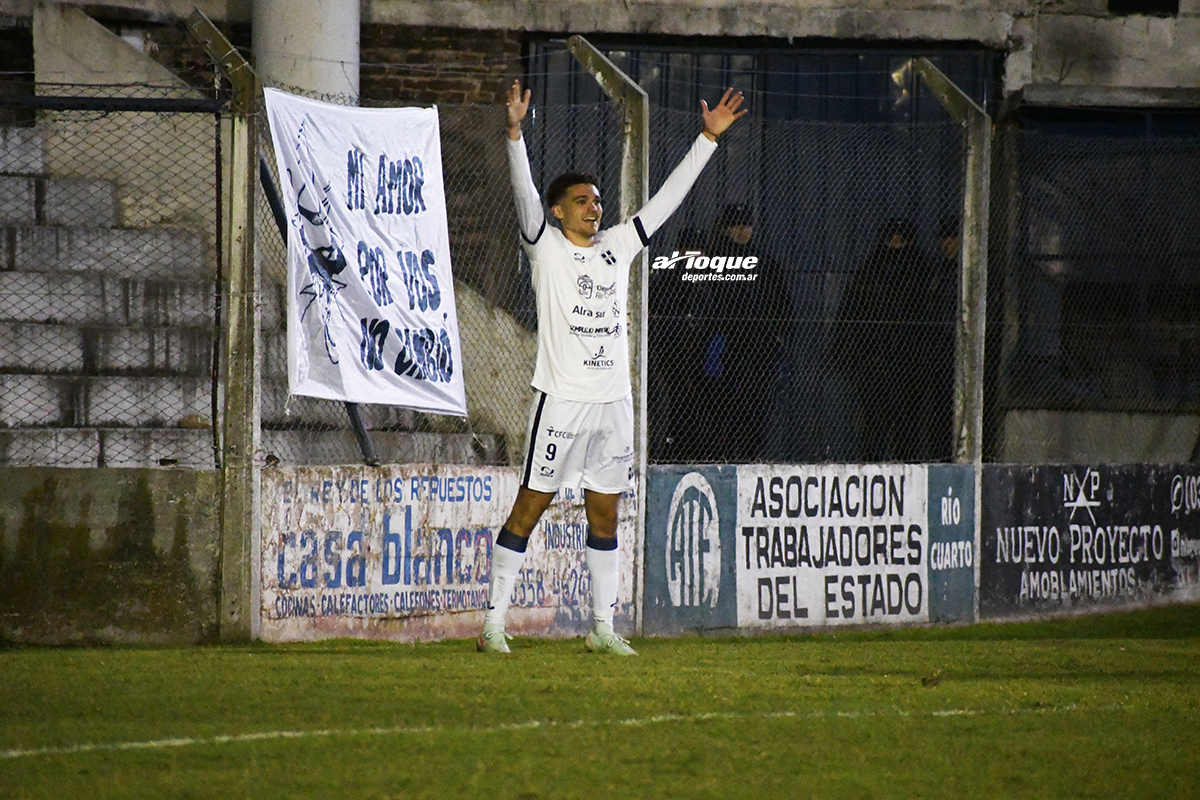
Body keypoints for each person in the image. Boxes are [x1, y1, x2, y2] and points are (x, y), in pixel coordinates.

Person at [478, 79, 747, 654]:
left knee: (605, 513)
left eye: (597, 200)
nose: (594, 207)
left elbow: (667, 202)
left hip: (614, 404)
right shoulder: (545, 246)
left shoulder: (618, 245)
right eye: (582, 201)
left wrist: (707, 140)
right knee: (530, 506)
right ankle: (493, 625)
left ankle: (602, 628)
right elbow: (524, 195)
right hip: (561, 400)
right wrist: (515, 134)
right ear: (557, 212)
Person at [688, 203, 793, 462]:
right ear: (726, 229)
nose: (742, 231)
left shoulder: (763, 263)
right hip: (723, 349)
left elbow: (783, 304)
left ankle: (750, 459)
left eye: (746, 225)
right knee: (720, 407)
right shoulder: (714, 261)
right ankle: (722, 458)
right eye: (736, 226)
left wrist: (775, 335)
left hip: (759, 350)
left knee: (756, 409)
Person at [832, 217, 932, 462]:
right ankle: (872, 466)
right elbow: (850, 311)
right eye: (891, 239)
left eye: (901, 240)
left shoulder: (920, 272)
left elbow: (929, 316)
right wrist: (843, 351)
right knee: (874, 419)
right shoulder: (871, 270)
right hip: (872, 360)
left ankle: (905, 467)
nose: (896, 245)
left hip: (908, 362)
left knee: (906, 421)